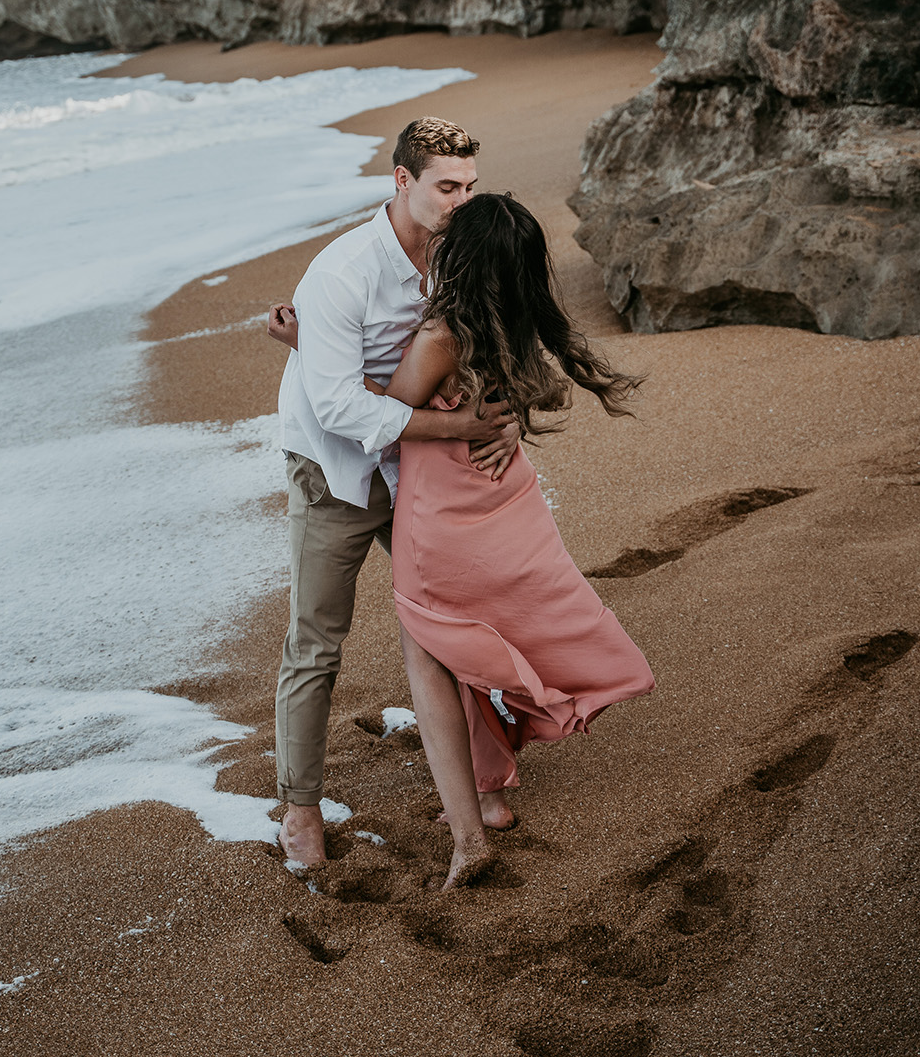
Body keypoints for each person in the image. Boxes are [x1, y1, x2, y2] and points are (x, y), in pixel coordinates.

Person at [380, 192, 655, 889]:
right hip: (508, 507)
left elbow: (380, 411)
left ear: (458, 257)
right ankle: (491, 794)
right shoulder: (511, 322)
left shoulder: (442, 335)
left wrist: (306, 349)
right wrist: (500, 422)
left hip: (442, 525)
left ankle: (470, 834)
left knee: (432, 652)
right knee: (466, 640)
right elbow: (532, 396)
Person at [267, 118, 521, 868]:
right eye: (447, 186)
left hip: (420, 477)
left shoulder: (463, 253)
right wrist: (456, 429)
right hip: (334, 472)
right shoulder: (343, 271)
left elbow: (497, 340)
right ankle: (301, 809)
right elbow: (340, 407)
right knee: (317, 641)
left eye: (471, 186)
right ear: (403, 181)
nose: (462, 201)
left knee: (455, 625)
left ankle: (484, 783)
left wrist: (507, 422)